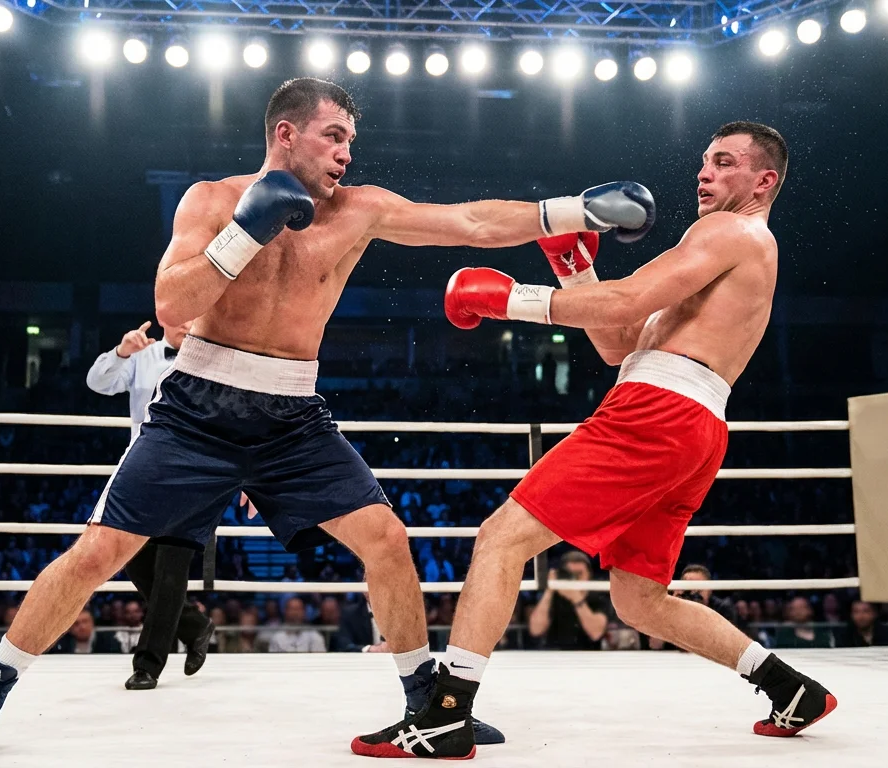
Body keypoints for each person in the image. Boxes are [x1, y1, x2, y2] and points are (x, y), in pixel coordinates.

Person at [0, 76, 651, 763]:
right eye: (334, 136)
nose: (346, 152)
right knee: (97, 555)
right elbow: (174, 304)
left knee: (388, 541)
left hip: (293, 417)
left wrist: (573, 209)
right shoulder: (213, 200)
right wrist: (247, 230)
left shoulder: (360, 209)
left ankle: (425, 695)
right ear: (286, 134)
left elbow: (467, 223)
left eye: (350, 140)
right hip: (195, 412)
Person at [354, 122, 837, 759]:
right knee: (638, 599)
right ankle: (789, 687)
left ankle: (445, 712)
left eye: (724, 163)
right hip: (692, 424)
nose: (705, 174)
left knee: (501, 539)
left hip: (656, 413)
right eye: (705, 162)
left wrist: (509, 299)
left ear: (763, 181)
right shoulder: (733, 250)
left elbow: (625, 302)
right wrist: (576, 271)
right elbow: (619, 343)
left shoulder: (727, 231)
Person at [87, 319, 217, 690]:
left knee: (172, 568)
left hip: (197, 472)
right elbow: (97, 383)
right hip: (143, 471)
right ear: (165, 318)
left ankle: (147, 665)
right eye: (181, 314)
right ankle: (194, 624)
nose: (188, 322)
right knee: (131, 557)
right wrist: (121, 352)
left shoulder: (215, 358)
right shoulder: (142, 355)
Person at [526, 551, 608, 650]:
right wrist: (549, 590)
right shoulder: (553, 597)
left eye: (579, 574)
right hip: (554, 655)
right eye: (570, 574)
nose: (575, 579)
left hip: (589, 656)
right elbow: (536, 630)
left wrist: (576, 598)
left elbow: (596, 633)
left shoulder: (598, 596)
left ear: (589, 575)